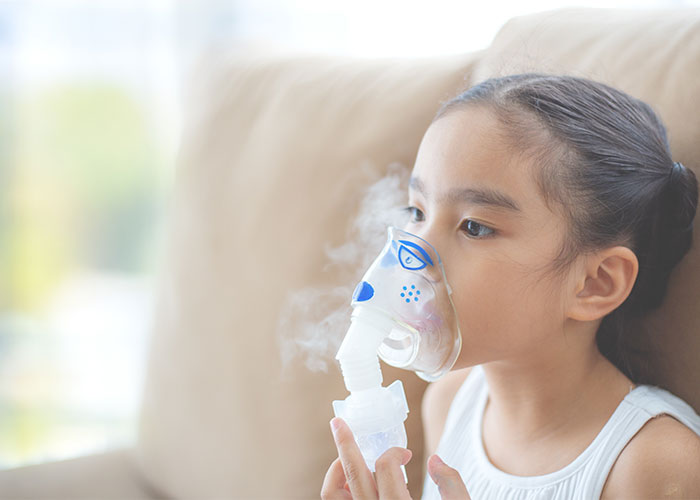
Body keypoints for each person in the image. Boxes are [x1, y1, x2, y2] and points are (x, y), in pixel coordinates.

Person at [320, 74, 700, 499]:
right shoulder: (449, 402)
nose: (415, 255)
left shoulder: (655, 466)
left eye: (475, 227)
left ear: (594, 283)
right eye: (417, 210)